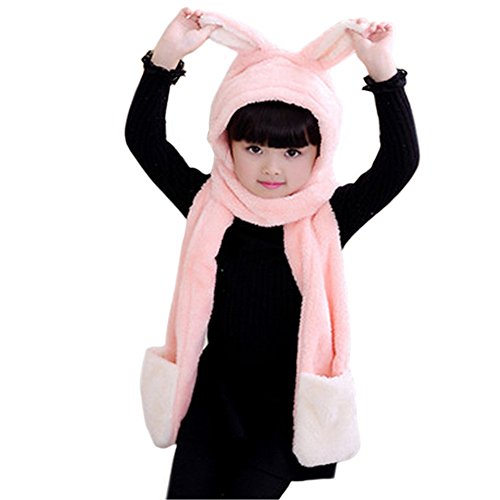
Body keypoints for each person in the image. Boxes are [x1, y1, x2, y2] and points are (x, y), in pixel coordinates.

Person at [125, 7, 419, 499]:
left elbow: (399, 162)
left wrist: (383, 75)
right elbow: (145, 140)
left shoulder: (328, 217)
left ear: (319, 152)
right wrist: (166, 58)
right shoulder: (209, 204)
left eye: (292, 152)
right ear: (227, 144)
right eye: (254, 148)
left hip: (283, 412)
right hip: (215, 402)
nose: (272, 169)